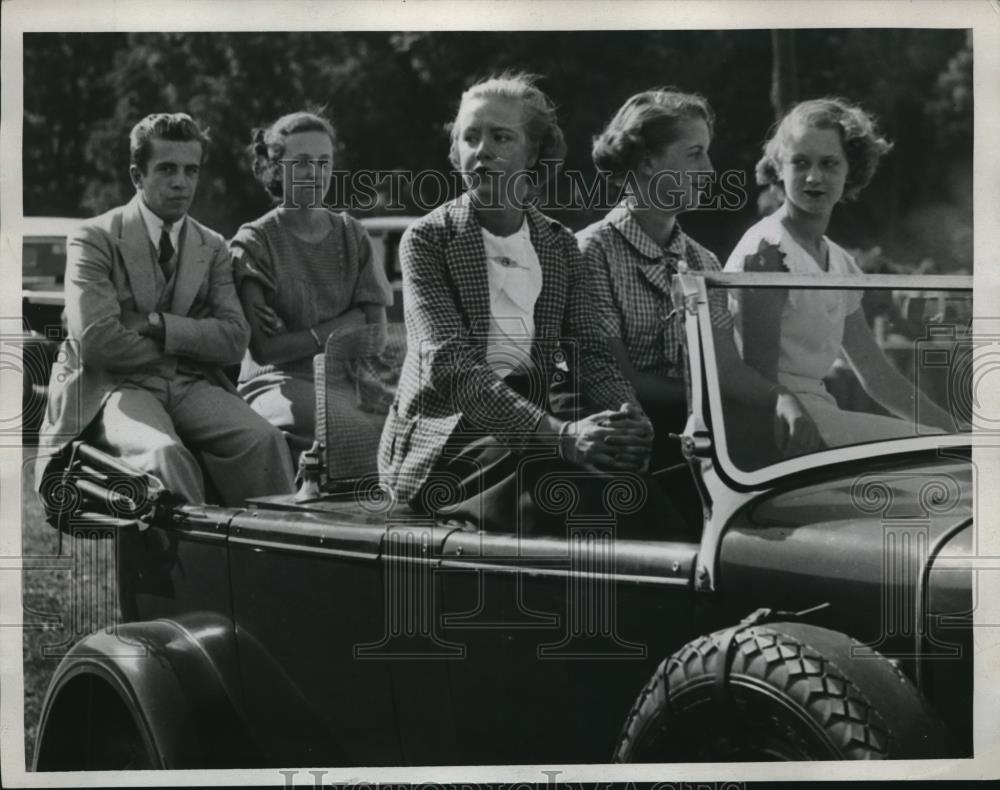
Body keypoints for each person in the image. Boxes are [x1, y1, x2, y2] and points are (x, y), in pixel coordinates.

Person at [378, 74, 676, 537]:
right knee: (567, 494)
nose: (483, 151)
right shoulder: (427, 239)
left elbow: (591, 351)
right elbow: (451, 367)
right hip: (448, 437)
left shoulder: (558, 244)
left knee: (644, 493)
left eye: (501, 137)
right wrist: (561, 435)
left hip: (538, 432)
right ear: (455, 152)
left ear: (533, 153)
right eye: (470, 137)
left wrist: (627, 415)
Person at [36, 112, 295, 505]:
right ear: (137, 176)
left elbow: (233, 340)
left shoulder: (213, 246)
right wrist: (191, 338)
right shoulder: (94, 238)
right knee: (165, 454)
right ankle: (191, 566)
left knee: (264, 439)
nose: (181, 182)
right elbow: (97, 344)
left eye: (191, 170)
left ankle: (268, 560)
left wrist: (155, 323)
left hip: (189, 385)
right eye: (167, 169)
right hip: (112, 386)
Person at [578, 89, 820, 468]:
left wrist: (780, 397)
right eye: (694, 154)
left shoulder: (701, 259)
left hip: (696, 437)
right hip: (624, 447)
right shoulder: (593, 251)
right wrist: (710, 399)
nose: (709, 170)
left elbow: (725, 368)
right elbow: (619, 379)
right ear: (647, 163)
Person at [724, 97, 955, 449]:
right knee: (932, 457)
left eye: (830, 163)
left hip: (822, 416)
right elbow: (758, 380)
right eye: (800, 163)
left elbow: (875, 374)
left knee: (944, 447)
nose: (814, 177)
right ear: (779, 168)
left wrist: (956, 428)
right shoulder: (768, 252)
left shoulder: (840, 261)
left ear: (851, 170)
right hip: (780, 426)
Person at [232, 111, 393, 459]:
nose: (315, 173)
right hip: (278, 383)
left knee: (408, 432)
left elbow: (376, 336)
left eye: (324, 162)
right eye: (302, 162)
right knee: (337, 427)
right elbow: (268, 350)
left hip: (350, 383)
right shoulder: (255, 242)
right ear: (277, 169)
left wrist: (304, 338)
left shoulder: (353, 235)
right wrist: (344, 325)